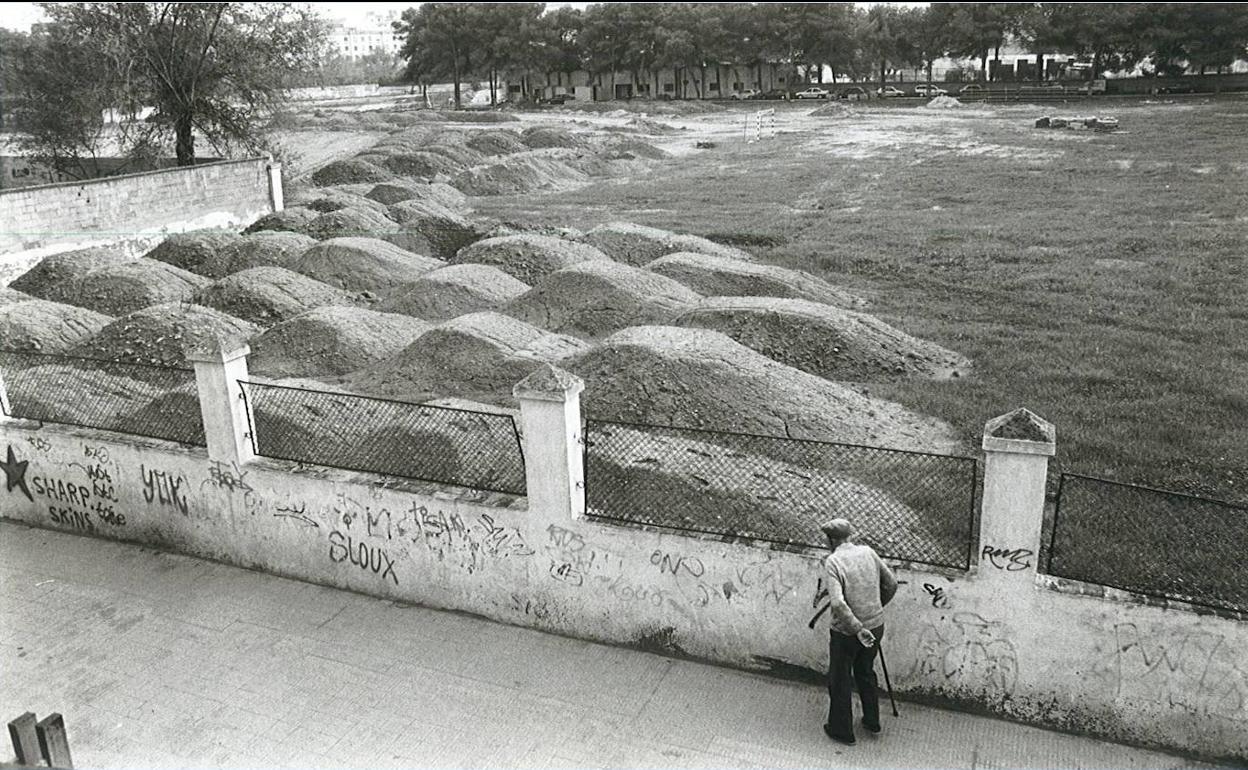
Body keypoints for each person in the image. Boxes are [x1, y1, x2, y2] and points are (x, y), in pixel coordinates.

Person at [819, 517, 898, 746]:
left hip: (846, 633)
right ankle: (872, 721)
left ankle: (841, 730)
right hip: (876, 626)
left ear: (830, 540)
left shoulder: (833, 561)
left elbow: (838, 604)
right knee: (865, 671)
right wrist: (874, 609)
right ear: (849, 536)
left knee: (840, 678)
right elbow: (891, 584)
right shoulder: (868, 552)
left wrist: (857, 627)